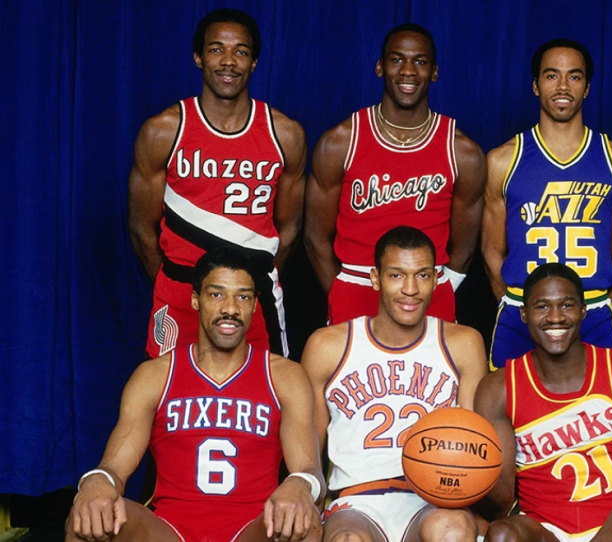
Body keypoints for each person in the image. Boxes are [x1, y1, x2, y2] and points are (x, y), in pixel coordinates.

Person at [67, 247, 323, 542]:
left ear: (255, 305)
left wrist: (300, 484)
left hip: (251, 532)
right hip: (169, 532)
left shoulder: (284, 376)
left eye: (243, 296)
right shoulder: (155, 375)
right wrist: (97, 480)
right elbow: (114, 467)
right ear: (195, 300)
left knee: (305, 523)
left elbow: (309, 468)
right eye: (217, 294)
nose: (230, 308)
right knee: (85, 517)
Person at [128, 8, 306, 359]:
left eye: (241, 51)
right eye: (216, 49)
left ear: (254, 62)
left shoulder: (285, 134)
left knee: (267, 400)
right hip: (180, 292)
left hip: (252, 297)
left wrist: (249, 283)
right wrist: (178, 282)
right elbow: (141, 229)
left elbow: (289, 229)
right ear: (198, 57)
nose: (228, 62)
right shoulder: (163, 131)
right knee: (169, 401)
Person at [301, 226, 488, 542]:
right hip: (356, 501)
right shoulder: (327, 346)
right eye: (397, 275)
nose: (411, 289)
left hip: (434, 497)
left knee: (453, 530)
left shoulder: (463, 344)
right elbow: (309, 449)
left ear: (437, 280)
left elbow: (476, 446)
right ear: (375, 278)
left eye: (423, 275)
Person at [475, 263, 612, 542]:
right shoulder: (498, 389)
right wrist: (464, 474)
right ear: (524, 314)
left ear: (583, 310)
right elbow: (501, 502)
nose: (555, 317)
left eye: (567, 305)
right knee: (502, 534)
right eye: (542, 307)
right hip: (545, 531)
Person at [305, 23, 486, 325]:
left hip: (429, 293)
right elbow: (315, 238)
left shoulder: (462, 152)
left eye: (420, 61)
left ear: (435, 71)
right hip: (356, 286)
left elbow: (465, 246)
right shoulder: (341, 142)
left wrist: (436, 290)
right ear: (380, 67)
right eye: (397, 59)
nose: (408, 71)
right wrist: (340, 290)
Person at [483, 39, 612, 369]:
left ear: (586, 88)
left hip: (593, 312)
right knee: (509, 416)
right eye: (552, 76)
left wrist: (604, 312)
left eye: (574, 77)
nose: (563, 86)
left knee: (596, 419)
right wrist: (518, 310)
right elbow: (491, 252)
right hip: (520, 314)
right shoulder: (503, 160)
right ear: (535, 85)